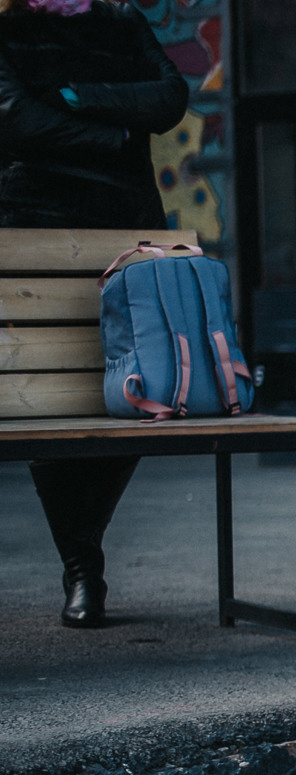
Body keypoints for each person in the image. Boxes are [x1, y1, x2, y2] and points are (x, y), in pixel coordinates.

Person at [0, 0, 187, 627]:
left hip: (127, 227)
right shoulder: (8, 28)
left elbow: (169, 98)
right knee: (50, 399)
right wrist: (117, 132)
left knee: (143, 391)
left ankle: (82, 549)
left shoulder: (122, 20)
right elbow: (17, 119)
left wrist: (76, 94)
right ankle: (82, 564)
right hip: (35, 232)